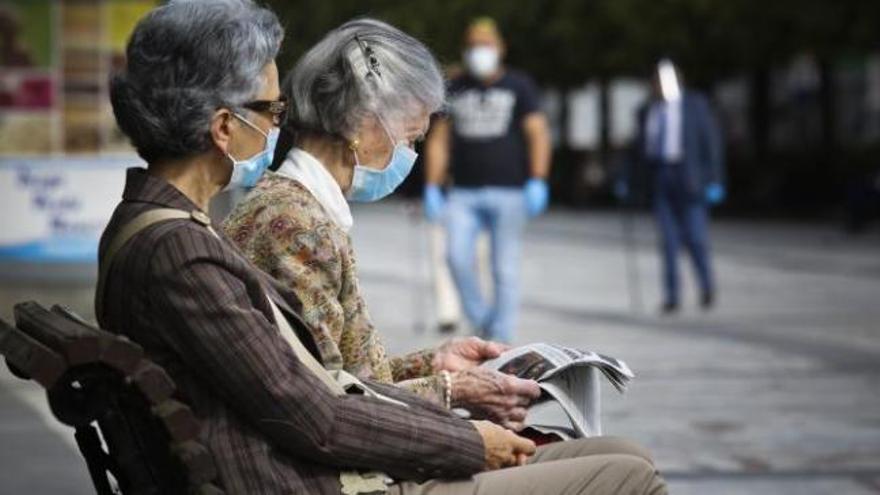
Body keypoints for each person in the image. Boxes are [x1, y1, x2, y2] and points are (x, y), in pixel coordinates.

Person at [101, 2, 667, 493]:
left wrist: (439, 375)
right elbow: (318, 417)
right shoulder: (186, 252)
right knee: (631, 477)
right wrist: (468, 436)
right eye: (272, 112)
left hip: (313, 469)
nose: (280, 127)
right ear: (224, 128)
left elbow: (320, 379)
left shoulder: (166, 232)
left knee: (625, 460)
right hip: (323, 482)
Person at [223, 19, 541, 428]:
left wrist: (435, 362)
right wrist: (453, 396)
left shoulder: (301, 207)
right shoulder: (297, 224)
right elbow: (328, 401)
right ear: (362, 124)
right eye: (409, 139)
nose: (410, 155)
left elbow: (344, 373)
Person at [423, 18, 552, 343]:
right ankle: (483, 320)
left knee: (504, 267)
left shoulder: (519, 86)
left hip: (510, 191)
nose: (481, 52)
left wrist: (538, 178)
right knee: (455, 257)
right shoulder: (456, 87)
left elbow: (537, 133)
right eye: (474, 46)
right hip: (463, 193)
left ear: (500, 48)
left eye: (487, 45)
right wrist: (432, 185)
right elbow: (439, 140)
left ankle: (502, 337)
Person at [618, 59, 725, 314]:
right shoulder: (647, 110)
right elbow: (636, 150)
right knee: (668, 242)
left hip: (689, 177)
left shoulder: (695, 104)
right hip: (660, 176)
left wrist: (716, 179)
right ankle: (672, 296)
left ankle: (706, 286)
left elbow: (711, 143)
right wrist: (626, 178)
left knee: (696, 238)